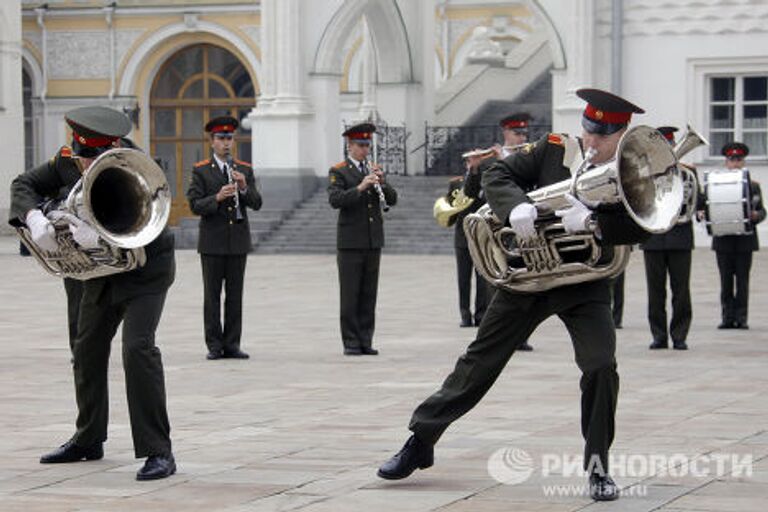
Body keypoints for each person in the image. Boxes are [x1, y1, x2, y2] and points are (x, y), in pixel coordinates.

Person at [377, 89, 654, 502]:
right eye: (589, 131)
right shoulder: (554, 149)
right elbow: (494, 175)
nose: (593, 142)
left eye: (603, 136)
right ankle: (420, 441)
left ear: (623, 134)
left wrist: (596, 223)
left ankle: (598, 467)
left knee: (600, 367)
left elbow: (645, 224)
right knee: (478, 363)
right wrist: (515, 208)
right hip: (527, 280)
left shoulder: (632, 168)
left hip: (585, 284)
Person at [9, 106, 177, 481]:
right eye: (81, 158)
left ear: (112, 145)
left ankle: (158, 451)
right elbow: (23, 184)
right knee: (85, 349)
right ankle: (88, 438)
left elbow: (150, 217)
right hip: (100, 274)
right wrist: (36, 216)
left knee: (138, 348)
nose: (84, 167)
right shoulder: (70, 160)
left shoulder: (135, 164)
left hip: (145, 272)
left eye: (91, 158)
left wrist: (99, 233)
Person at [187, 116, 262, 360]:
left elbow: (257, 203)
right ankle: (214, 345)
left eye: (229, 138)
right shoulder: (201, 171)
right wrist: (217, 197)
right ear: (212, 141)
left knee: (235, 296)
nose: (226, 143)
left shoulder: (244, 169)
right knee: (212, 297)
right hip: (212, 242)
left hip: (237, 241)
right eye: (221, 139)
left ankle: (232, 344)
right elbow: (194, 205)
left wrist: (243, 188)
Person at [328, 122, 398, 356]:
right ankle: (350, 341)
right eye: (360, 145)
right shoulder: (339, 171)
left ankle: (366, 339)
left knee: (369, 294)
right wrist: (360, 187)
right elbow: (336, 200)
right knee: (350, 295)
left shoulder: (372, 168)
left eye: (367, 145)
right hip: (349, 242)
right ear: (350, 145)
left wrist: (382, 181)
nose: (365, 150)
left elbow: (392, 199)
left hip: (372, 240)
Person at [642, 126, 694, 349]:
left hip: (680, 237)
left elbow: (696, 201)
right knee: (655, 292)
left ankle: (680, 335)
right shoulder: (645, 173)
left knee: (681, 291)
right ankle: (659, 335)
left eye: (670, 146)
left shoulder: (687, 173)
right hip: (653, 239)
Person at [707, 142, 765, 329]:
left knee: (742, 281)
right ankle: (726, 318)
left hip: (744, 241)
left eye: (738, 159)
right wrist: (702, 213)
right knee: (725, 282)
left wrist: (756, 216)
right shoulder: (715, 182)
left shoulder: (753, 186)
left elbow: (762, 210)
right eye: (732, 159)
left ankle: (741, 318)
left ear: (743, 161)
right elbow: (705, 204)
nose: (735, 163)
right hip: (723, 239)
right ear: (726, 162)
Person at [450, 161, 489, 329]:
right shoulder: (455, 183)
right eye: (470, 161)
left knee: (482, 280)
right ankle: (465, 314)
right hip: (462, 236)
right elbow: (452, 206)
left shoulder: (485, 180)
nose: (472, 163)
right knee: (463, 279)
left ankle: (481, 315)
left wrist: (475, 173)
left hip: (480, 236)